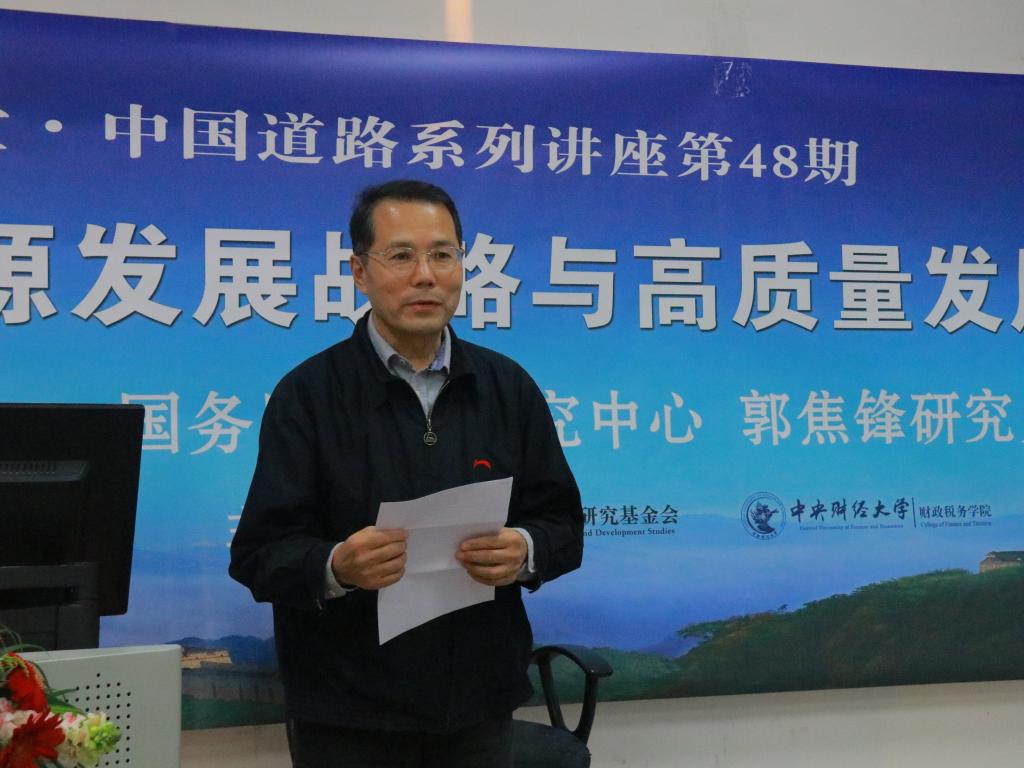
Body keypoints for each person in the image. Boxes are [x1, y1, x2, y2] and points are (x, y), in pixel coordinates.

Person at [229, 179, 584, 767]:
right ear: (359, 271)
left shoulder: (507, 387)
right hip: (349, 711)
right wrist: (336, 566)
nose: (426, 276)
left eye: (443, 254)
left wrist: (524, 550)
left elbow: (563, 525)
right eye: (401, 256)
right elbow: (258, 555)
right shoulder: (309, 395)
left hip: (479, 705)